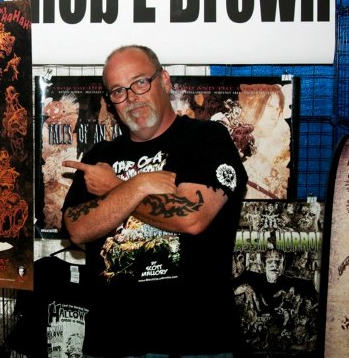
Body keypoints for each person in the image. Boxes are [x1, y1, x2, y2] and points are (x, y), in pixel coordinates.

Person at [61, 45, 248, 358]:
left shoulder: (206, 139)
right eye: (118, 91)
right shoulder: (100, 156)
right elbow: (77, 228)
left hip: (196, 342)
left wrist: (114, 187)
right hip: (110, 342)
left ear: (164, 80)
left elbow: (191, 217)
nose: (131, 97)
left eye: (140, 82)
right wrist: (140, 185)